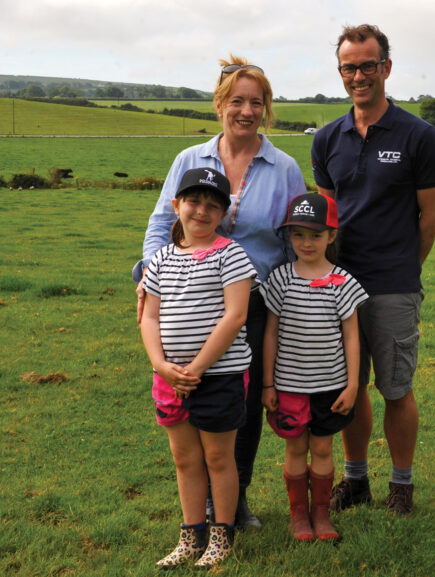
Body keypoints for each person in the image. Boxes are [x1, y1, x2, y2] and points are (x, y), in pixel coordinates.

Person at [135, 56, 307, 529]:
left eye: (257, 102)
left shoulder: (285, 167)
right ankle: (203, 500)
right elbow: (158, 225)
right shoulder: (188, 160)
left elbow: (294, 239)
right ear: (219, 104)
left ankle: (236, 496)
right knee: (188, 388)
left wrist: (291, 303)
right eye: (237, 101)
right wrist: (150, 281)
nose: (246, 111)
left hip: (252, 304)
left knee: (243, 402)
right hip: (188, 300)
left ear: (267, 109)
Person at [310, 24, 435, 516]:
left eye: (369, 65)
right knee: (348, 387)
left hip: (393, 285)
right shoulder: (327, 139)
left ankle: (402, 486)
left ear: (386, 68)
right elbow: (327, 221)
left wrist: (405, 271)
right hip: (339, 285)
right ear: (341, 72)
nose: (359, 75)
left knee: (396, 388)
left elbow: (430, 218)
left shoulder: (420, 137)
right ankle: (357, 479)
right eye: (350, 67)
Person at [140, 167, 256, 568]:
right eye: (193, 202)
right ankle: (191, 536)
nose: (202, 211)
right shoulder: (160, 261)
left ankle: (222, 536)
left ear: (224, 213)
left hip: (219, 377)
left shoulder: (231, 254)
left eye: (212, 205)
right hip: (169, 378)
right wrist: (160, 365)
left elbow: (236, 315)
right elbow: (149, 318)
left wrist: (197, 368)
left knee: (219, 459)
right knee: (185, 459)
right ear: (176, 206)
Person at [260, 193, 368, 541]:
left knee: (322, 449)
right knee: (295, 449)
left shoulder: (343, 282)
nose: (307, 243)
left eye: (316, 235)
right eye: (298, 234)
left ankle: (322, 515)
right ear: (289, 236)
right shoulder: (279, 279)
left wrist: (352, 385)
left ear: (332, 236)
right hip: (288, 387)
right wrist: (267, 384)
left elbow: (352, 337)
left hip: (331, 387)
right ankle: (298, 517)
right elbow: (270, 333)